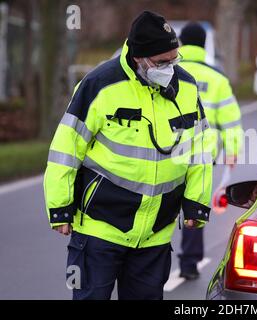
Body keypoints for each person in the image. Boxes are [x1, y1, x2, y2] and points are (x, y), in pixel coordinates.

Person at [43, 11, 212, 300]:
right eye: (162, 62)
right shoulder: (99, 85)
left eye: (175, 59)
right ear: (139, 58)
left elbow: (199, 149)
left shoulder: (186, 87)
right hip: (100, 230)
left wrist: (197, 203)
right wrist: (59, 208)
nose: (170, 68)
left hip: (155, 235)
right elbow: (66, 148)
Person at [177, 22, 243, 280]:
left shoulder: (171, 70)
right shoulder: (217, 79)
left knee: (161, 206)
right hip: (203, 154)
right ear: (205, 45)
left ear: (181, 43)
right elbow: (230, 120)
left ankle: (149, 262)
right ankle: (189, 264)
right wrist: (233, 150)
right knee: (194, 205)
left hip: (166, 150)